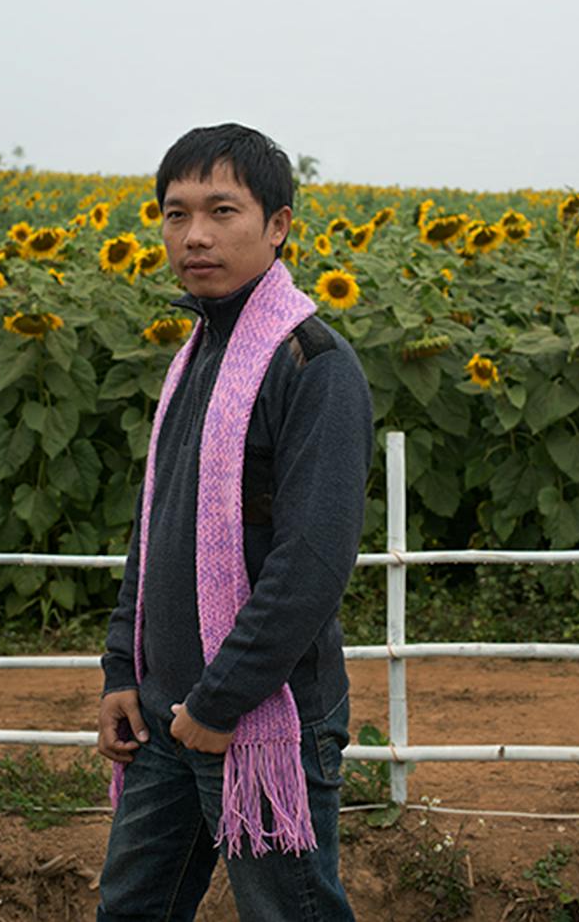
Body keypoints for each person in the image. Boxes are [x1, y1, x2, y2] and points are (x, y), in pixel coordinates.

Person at [95, 124, 373, 921]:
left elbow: (312, 565)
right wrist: (123, 668)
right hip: (162, 716)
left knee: (292, 912)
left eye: (222, 210)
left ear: (278, 224)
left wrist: (220, 703)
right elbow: (155, 529)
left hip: (256, 717)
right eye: (175, 214)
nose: (196, 236)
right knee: (131, 909)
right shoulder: (195, 353)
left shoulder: (311, 365)